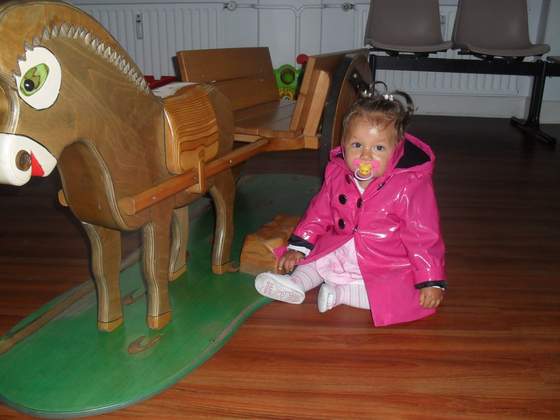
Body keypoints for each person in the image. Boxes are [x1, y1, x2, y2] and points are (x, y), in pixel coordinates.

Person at [254, 89, 447, 327]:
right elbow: (318, 213)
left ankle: (340, 294)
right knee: (317, 261)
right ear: (344, 145)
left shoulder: (409, 186)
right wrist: (299, 247)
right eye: (357, 145)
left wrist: (430, 280)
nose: (366, 156)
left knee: (390, 295)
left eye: (378, 148)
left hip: (384, 260)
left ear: (397, 150)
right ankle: (296, 283)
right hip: (340, 245)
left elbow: (422, 235)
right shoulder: (338, 173)